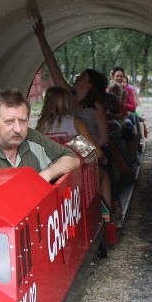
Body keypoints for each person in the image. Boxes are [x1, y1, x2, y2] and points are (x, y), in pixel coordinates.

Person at [31, 15, 122, 219]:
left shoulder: (95, 106)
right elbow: (53, 67)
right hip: (77, 150)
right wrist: (41, 38)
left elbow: (103, 139)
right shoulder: (69, 98)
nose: (77, 78)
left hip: (90, 147)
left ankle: (113, 205)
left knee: (105, 162)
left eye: (82, 77)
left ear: (90, 85)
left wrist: (85, 149)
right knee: (98, 163)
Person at [35, 86, 113, 215]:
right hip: (76, 175)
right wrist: (103, 158)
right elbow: (95, 152)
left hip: (53, 177)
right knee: (104, 176)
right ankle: (107, 217)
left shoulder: (40, 127)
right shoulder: (75, 123)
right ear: (67, 102)